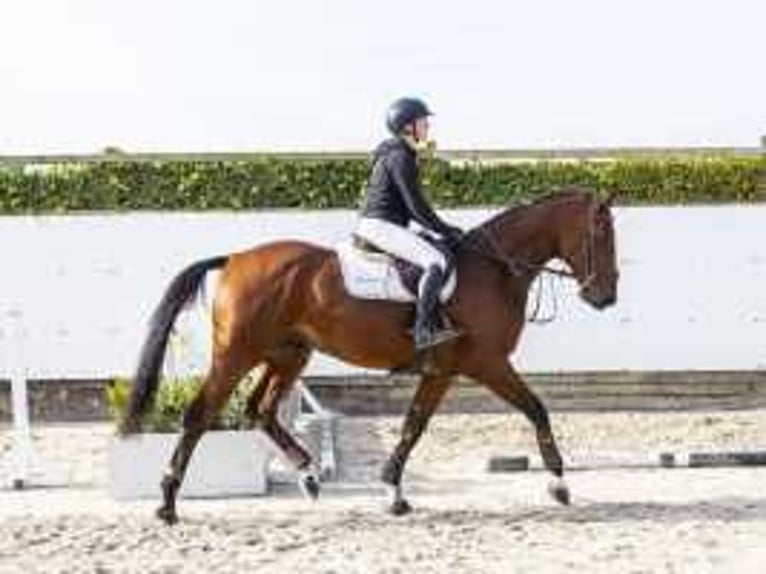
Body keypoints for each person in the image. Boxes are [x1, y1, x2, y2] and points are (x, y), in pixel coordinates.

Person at [355, 96, 464, 360]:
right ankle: (423, 329)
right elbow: (416, 207)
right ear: (407, 127)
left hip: (384, 224)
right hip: (380, 226)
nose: (427, 126)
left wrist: (439, 230)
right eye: (422, 122)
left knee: (432, 247)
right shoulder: (400, 156)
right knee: (435, 261)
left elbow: (413, 209)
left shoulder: (398, 153)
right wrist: (446, 230)